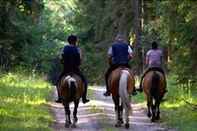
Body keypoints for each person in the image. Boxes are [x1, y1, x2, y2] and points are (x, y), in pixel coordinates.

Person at [55, 35, 90, 104]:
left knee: (58, 82)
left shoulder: (64, 48)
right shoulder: (78, 49)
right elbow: (80, 60)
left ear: (68, 41)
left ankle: (59, 98)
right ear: (75, 41)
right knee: (85, 82)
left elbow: (61, 59)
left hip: (66, 69)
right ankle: (84, 98)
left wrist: (63, 63)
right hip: (75, 70)